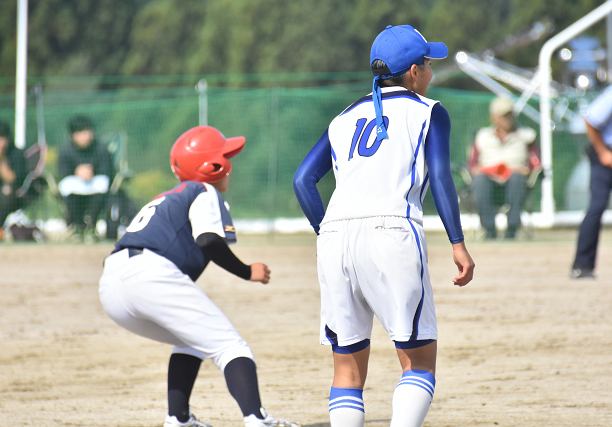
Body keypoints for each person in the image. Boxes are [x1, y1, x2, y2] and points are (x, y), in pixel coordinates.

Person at [293, 25, 475, 427]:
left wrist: (328, 232)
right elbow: (442, 177)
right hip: (392, 231)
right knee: (419, 362)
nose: (431, 70)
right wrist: (458, 243)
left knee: (347, 372)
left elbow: (302, 180)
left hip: (336, 236)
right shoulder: (429, 111)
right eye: (428, 63)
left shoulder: (343, 118)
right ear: (414, 71)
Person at [98, 126, 298, 427]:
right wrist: (247, 272)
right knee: (231, 346)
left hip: (112, 283)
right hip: (148, 273)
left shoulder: (170, 195)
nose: (230, 165)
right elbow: (208, 240)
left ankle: (178, 420)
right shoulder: (204, 191)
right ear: (213, 167)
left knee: (191, 340)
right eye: (225, 157)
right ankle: (258, 420)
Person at [571, 75, 612, 279]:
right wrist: (603, 152)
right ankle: (582, 266)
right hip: (606, 155)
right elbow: (591, 120)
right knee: (597, 207)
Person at [468, 96, 541, 239]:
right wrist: (480, 170)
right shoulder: (482, 136)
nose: (507, 118)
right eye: (503, 115)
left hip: (516, 183)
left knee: (516, 179)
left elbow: (536, 164)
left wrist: (527, 170)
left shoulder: (527, 135)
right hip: (489, 182)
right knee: (480, 180)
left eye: (509, 114)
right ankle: (489, 229)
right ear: (494, 117)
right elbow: (472, 164)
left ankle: (512, 228)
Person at [57, 115, 113, 241]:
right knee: (68, 185)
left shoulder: (101, 148)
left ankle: (91, 225)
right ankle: (76, 226)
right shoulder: (65, 150)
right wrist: (77, 172)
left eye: (88, 131)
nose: (86, 136)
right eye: (81, 133)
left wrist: (91, 172)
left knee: (102, 183)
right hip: (75, 189)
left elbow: (107, 172)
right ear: (73, 136)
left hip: (94, 187)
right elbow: (63, 173)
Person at [0, 120, 27, 241]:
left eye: (2, 138)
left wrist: (0, 157)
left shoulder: (16, 153)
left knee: (6, 190)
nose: (0, 143)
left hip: (13, 195)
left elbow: (11, 178)